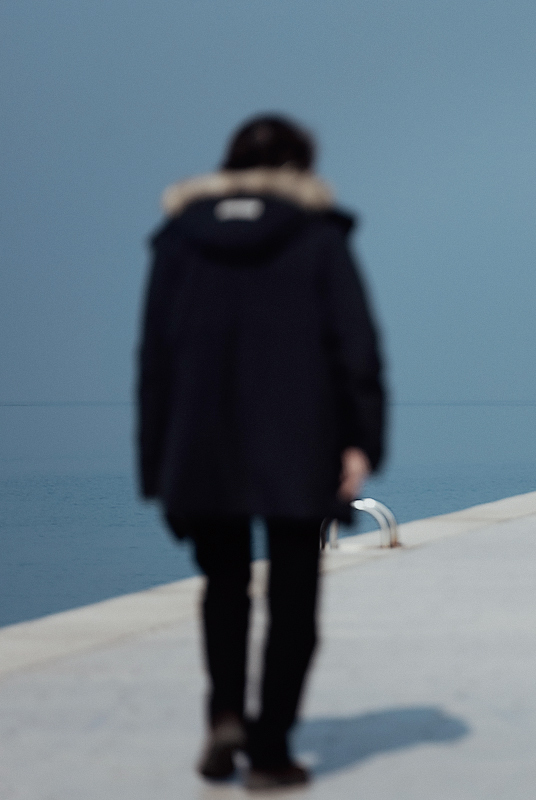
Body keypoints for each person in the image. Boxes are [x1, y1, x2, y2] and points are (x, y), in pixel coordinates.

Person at [137, 115, 386, 789]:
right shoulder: (317, 235)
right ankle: (270, 751)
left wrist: (155, 463)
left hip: (199, 443)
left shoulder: (179, 238)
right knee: (293, 599)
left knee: (223, 585)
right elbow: (356, 346)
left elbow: (155, 359)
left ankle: (225, 713)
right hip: (299, 443)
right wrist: (362, 440)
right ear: (300, 169)